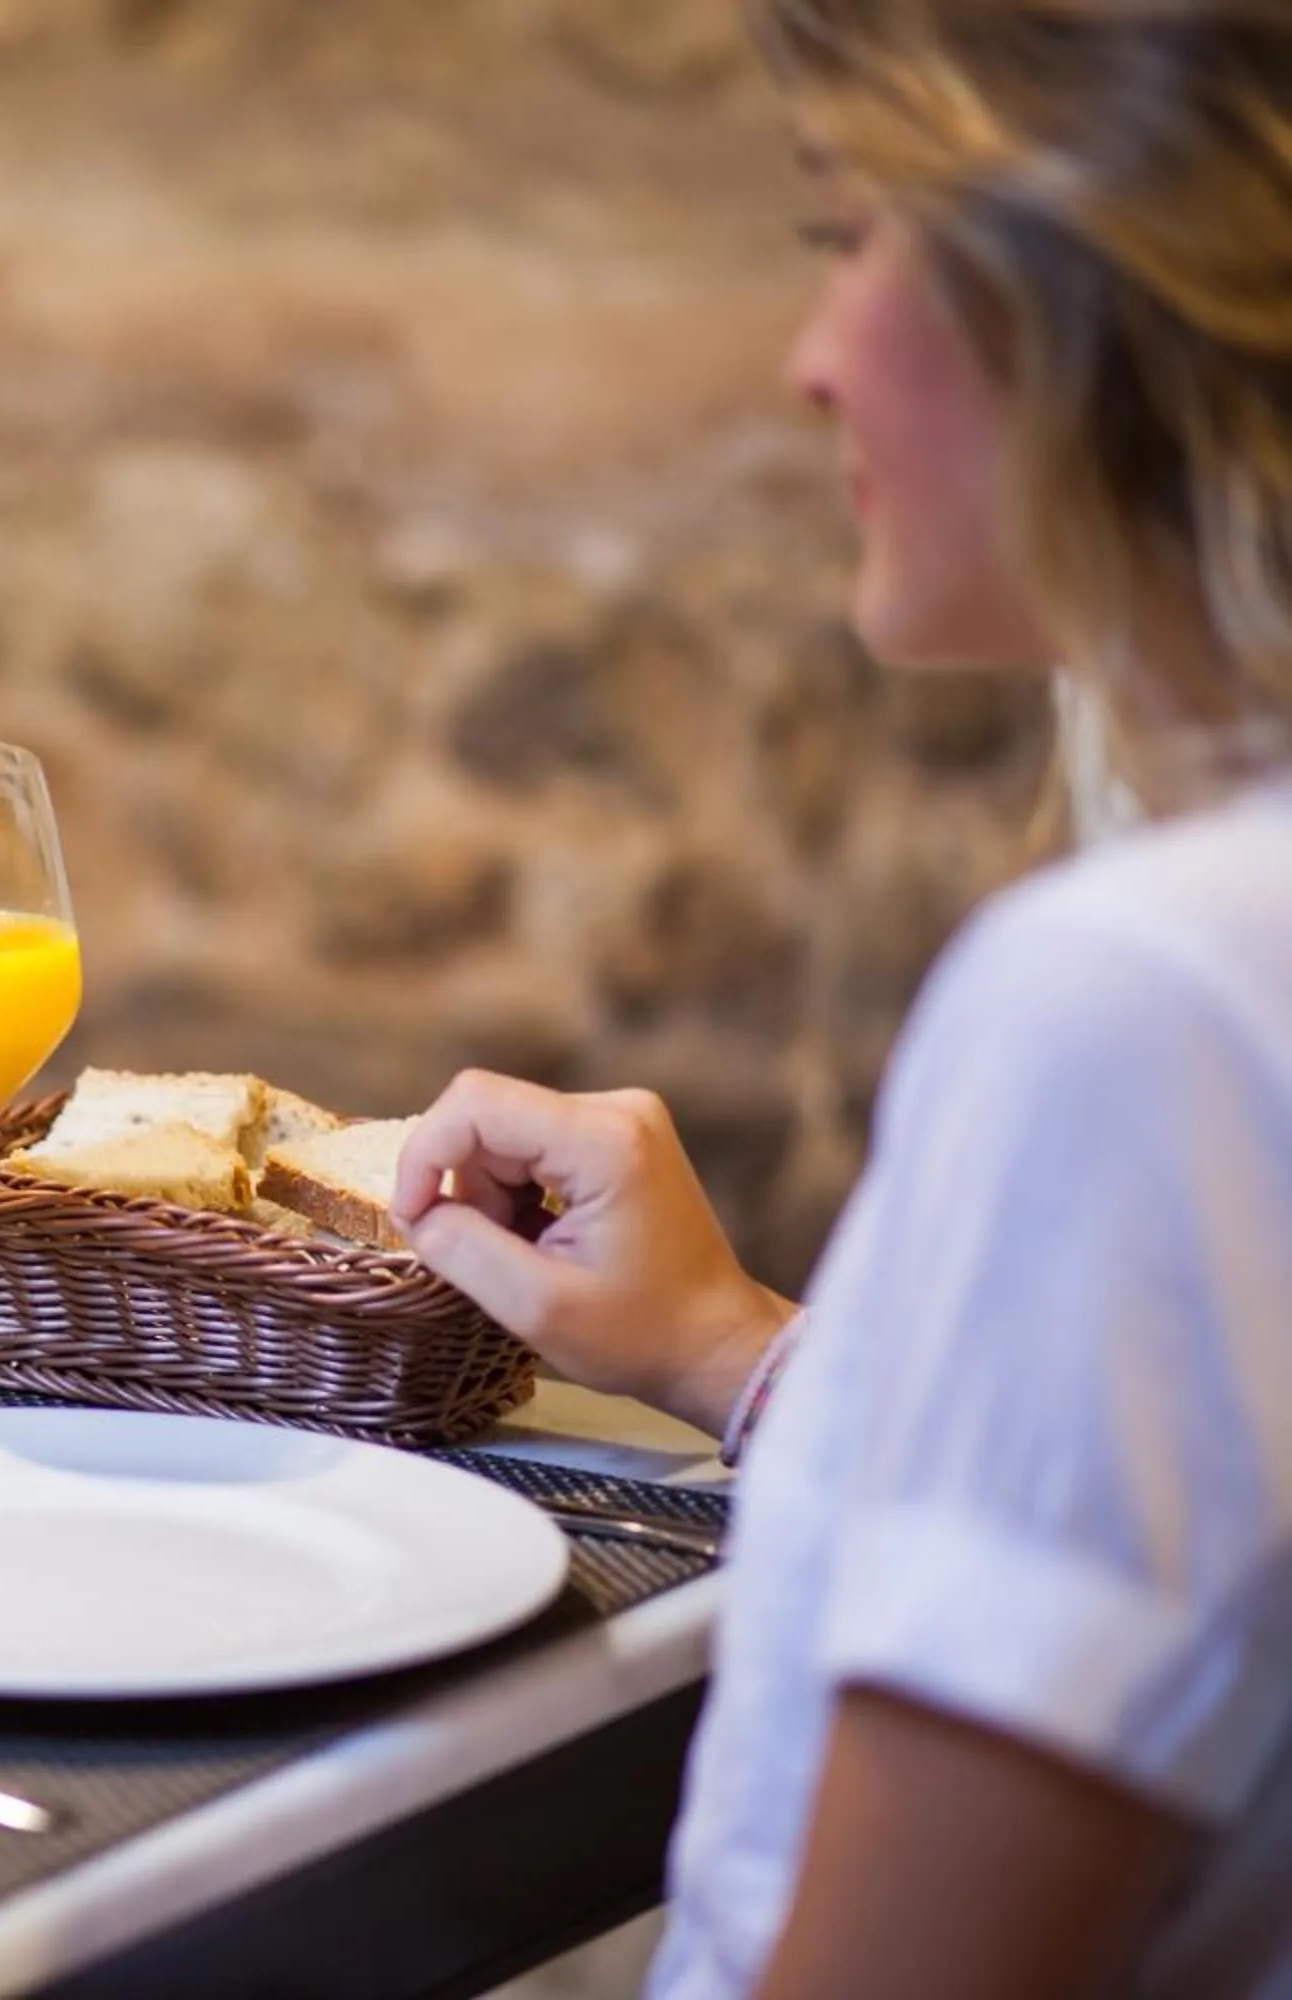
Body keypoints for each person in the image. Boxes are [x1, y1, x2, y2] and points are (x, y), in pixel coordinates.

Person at [388, 3, 1292, 1993]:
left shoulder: (1131, 1006)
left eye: (852, 232)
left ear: (1085, 269)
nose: (809, 363)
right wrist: (736, 1352)